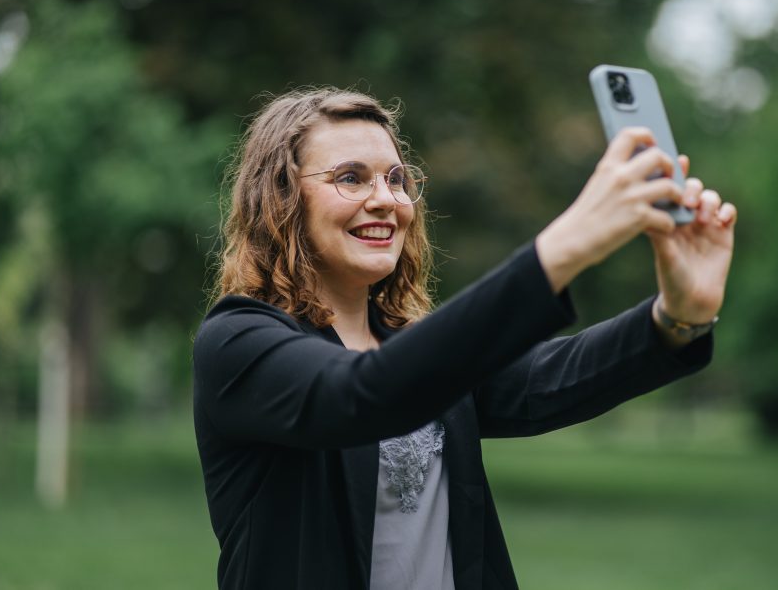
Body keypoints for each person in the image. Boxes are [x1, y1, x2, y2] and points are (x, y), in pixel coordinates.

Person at [193, 87, 736, 590]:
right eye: (351, 178)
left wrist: (679, 314)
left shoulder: (420, 351)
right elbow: (359, 394)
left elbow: (550, 377)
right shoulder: (239, 342)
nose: (387, 200)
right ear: (282, 200)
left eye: (397, 179)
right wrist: (573, 240)